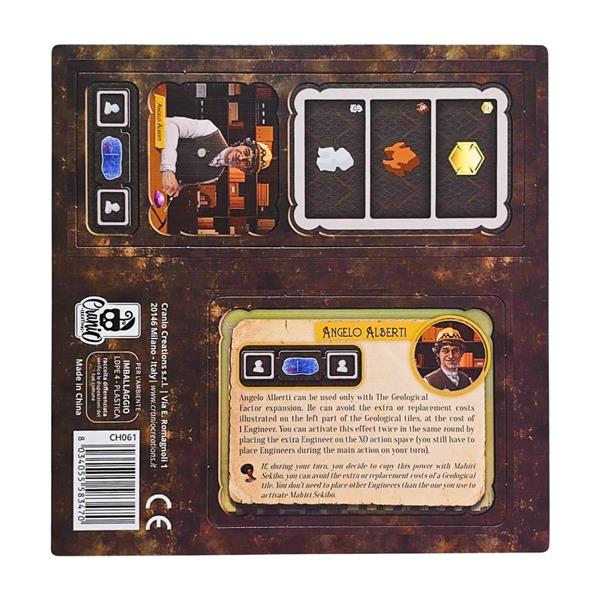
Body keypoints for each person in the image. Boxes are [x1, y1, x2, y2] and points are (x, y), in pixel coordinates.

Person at [159, 116, 272, 197]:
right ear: (243, 144)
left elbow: (182, 183)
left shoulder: (214, 177)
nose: (241, 158)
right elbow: (170, 124)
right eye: (246, 152)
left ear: (243, 169)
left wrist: (176, 187)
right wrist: (168, 168)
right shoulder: (209, 130)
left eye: (246, 163)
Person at [424, 327, 473, 392]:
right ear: (438, 353)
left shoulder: (468, 381)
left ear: (461, 353)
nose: (451, 356)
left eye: (455, 350)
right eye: (445, 351)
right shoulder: (428, 382)